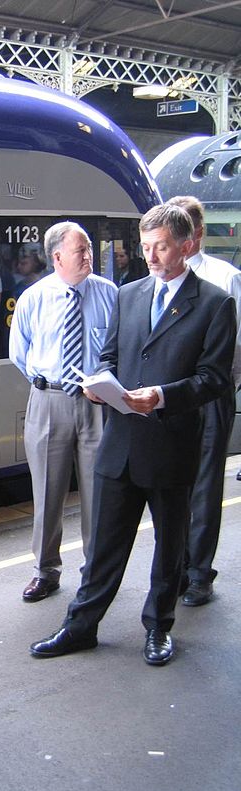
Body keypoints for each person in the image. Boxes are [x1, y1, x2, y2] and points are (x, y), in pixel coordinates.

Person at [28, 204, 236, 666]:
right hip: (119, 444)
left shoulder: (216, 303)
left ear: (186, 245)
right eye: (145, 248)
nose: (152, 257)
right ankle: (80, 626)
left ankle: (159, 628)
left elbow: (215, 378)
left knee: (169, 548)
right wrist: (100, 385)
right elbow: (108, 354)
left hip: (170, 445)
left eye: (160, 247)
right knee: (104, 544)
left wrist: (161, 396)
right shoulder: (129, 295)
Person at [9, 222, 117, 601]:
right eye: (80, 251)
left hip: (97, 404)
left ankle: (96, 570)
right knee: (48, 492)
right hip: (49, 402)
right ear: (57, 257)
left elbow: (117, 350)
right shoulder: (33, 299)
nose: (88, 256)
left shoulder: (109, 294)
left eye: (89, 249)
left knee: (98, 492)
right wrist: (50, 384)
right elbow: (20, 355)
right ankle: (45, 570)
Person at [166, 195, 241, 606]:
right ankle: (176, 566)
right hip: (172, 395)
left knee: (207, 484)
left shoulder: (224, 278)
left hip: (210, 394)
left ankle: (200, 574)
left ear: (194, 236)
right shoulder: (163, 278)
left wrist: (221, 386)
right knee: (175, 482)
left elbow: (239, 343)